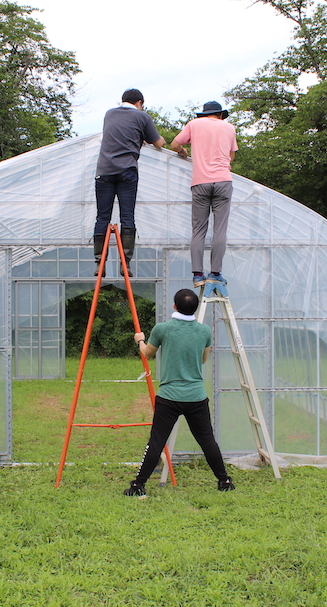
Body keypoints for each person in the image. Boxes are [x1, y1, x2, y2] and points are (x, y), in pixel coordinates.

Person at [126, 288, 235, 496]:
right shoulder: (204, 331)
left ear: (174, 306)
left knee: (156, 441)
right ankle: (224, 481)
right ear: (194, 308)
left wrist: (139, 339)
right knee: (207, 440)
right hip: (196, 397)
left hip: (168, 397)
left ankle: (138, 485)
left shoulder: (162, 329)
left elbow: (147, 354)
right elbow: (203, 359)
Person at [93, 88, 166, 276]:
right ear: (139, 103)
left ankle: (99, 263)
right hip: (127, 171)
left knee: (102, 217)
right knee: (127, 217)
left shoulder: (109, 114)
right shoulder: (143, 117)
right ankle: (125, 264)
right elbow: (158, 143)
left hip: (104, 171)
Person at [170, 101, 238, 288]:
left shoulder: (194, 124)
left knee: (198, 230)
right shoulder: (229, 128)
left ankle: (198, 275)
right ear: (220, 115)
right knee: (219, 230)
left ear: (204, 114)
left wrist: (184, 151)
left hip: (200, 182)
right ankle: (215, 273)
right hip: (223, 181)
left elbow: (175, 144)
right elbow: (231, 155)